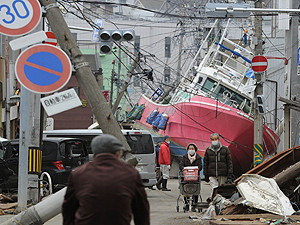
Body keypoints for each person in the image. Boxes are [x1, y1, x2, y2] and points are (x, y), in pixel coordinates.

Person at [62, 134, 150, 225]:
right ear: (117, 154)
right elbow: (141, 209)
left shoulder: (78, 174)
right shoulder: (130, 173)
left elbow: (68, 209)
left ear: (94, 154)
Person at [179, 143, 202, 212]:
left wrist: (196, 169)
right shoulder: (185, 157)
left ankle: (194, 205)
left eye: (192, 149)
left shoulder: (198, 157)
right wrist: (184, 169)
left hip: (195, 177)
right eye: (190, 149)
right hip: (186, 177)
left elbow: (200, 166)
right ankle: (186, 204)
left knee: (196, 190)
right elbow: (181, 165)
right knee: (185, 190)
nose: (191, 150)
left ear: (195, 150)